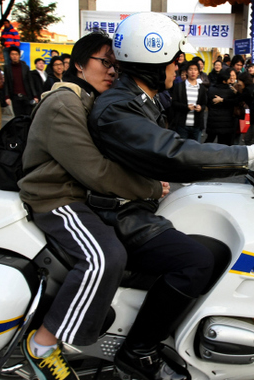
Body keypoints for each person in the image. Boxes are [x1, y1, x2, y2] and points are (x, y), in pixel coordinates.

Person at [88, 12, 254, 380]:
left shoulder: (138, 99)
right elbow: (171, 152)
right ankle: (138, 351)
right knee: (195, 260)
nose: (178, 69)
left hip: (136, 202)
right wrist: (246, 157)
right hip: (120, 213)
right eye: (174, 61)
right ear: (152, 62)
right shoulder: (119, 106)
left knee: (211, 243)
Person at [18, 31, 165, 380]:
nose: (113, 71)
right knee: (104, 257)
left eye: (117, 65)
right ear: (79, 64)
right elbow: (94, 170)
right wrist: (150, 189)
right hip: (56, 199)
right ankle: (42, 344)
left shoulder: (86, 99)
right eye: (105, 62)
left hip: (77, 194)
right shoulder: (64, 103)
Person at [171, 59, 207, 141]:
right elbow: (174, 103)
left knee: (195, 150)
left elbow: (204, 104)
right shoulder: (179, 86)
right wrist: (186, 107)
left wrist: (200, 108)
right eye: (190, 69)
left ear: (198, 72)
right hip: (182, 125)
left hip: (197, 125)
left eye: (195, 70)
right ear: (186, 72)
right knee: (181, 149)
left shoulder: (201, 88)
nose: (193, 72)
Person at [205, 68, 240, 145]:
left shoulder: (211, 89)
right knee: (222, 143)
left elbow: (208, 103)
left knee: (209, 140)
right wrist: (236, 93)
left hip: (213, 120)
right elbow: (236, 101)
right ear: (224, 81)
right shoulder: (230, 91)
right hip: (226, 122)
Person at [3, 46, 37, 116]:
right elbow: (6, 83)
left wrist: (35, 95)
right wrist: (7, 97)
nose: (14, 56)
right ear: (10, 56)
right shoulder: (7, 68)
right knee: (18, 118)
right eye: (12, 54)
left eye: (16, 54)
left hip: (26, 96)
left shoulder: (25, 67)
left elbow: (30, 82)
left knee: (28, 117)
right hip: (15, 97)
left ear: (19, 55)